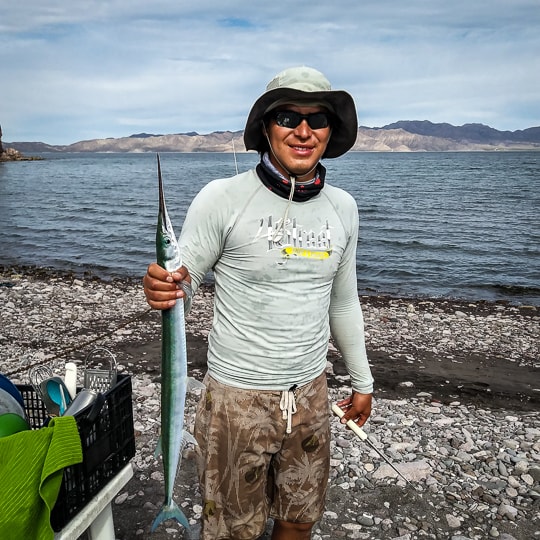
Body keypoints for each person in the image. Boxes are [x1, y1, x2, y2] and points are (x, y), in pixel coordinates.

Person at [143, 66, 374, 540]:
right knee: (233, 530)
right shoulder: (221, 198)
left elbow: (343, 301)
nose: (304, 131)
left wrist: (362, 381)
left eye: (317, 119)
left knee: (299, 519)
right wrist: (163, 287)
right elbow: (184, 280)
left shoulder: (344, 208)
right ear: (267, 127)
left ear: (330, 130)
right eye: (289, 117)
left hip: (311, 394)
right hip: (235, 399)